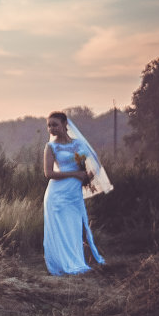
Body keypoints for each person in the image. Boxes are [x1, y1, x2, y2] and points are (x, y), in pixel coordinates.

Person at [42, 111, 107, 275]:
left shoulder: (78, 144)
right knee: (60, 229)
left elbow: (92, 164)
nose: (51, 128)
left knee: (74, 228)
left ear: (65, 124)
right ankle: (63, 264)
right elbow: (48, 174)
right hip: (56, 195)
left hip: (74, 194)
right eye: (49, 125)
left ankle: (77, 260)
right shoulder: (50, 147)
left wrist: (87, 177)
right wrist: (74, 174)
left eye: (55, 124)